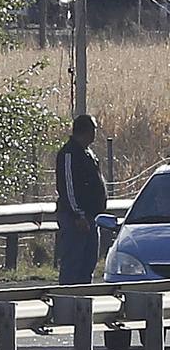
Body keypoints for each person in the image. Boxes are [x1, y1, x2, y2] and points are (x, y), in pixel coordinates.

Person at [56, 114, 108, 285]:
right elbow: (68, 188)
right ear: (85, 131)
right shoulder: (69, 154)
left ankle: (83, 301)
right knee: (73, 262)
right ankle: (67, 302)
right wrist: (78, 214)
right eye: (93, 130)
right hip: (76, 219)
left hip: (91, 217)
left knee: (88, 262)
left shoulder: (88, 153)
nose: (95, 134)